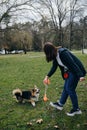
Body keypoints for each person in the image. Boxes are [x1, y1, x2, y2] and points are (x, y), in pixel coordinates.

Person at [43, 42, 86, 116]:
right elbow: (54, 67)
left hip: (76, 71)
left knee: (70, 89)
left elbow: (73, 64)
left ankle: (76, 109)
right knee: (66, 88)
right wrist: (47, 76)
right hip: (69, 71)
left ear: (49, 52)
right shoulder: (55, 55)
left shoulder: (63, 53)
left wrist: (80, 75)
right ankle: (60, 104)